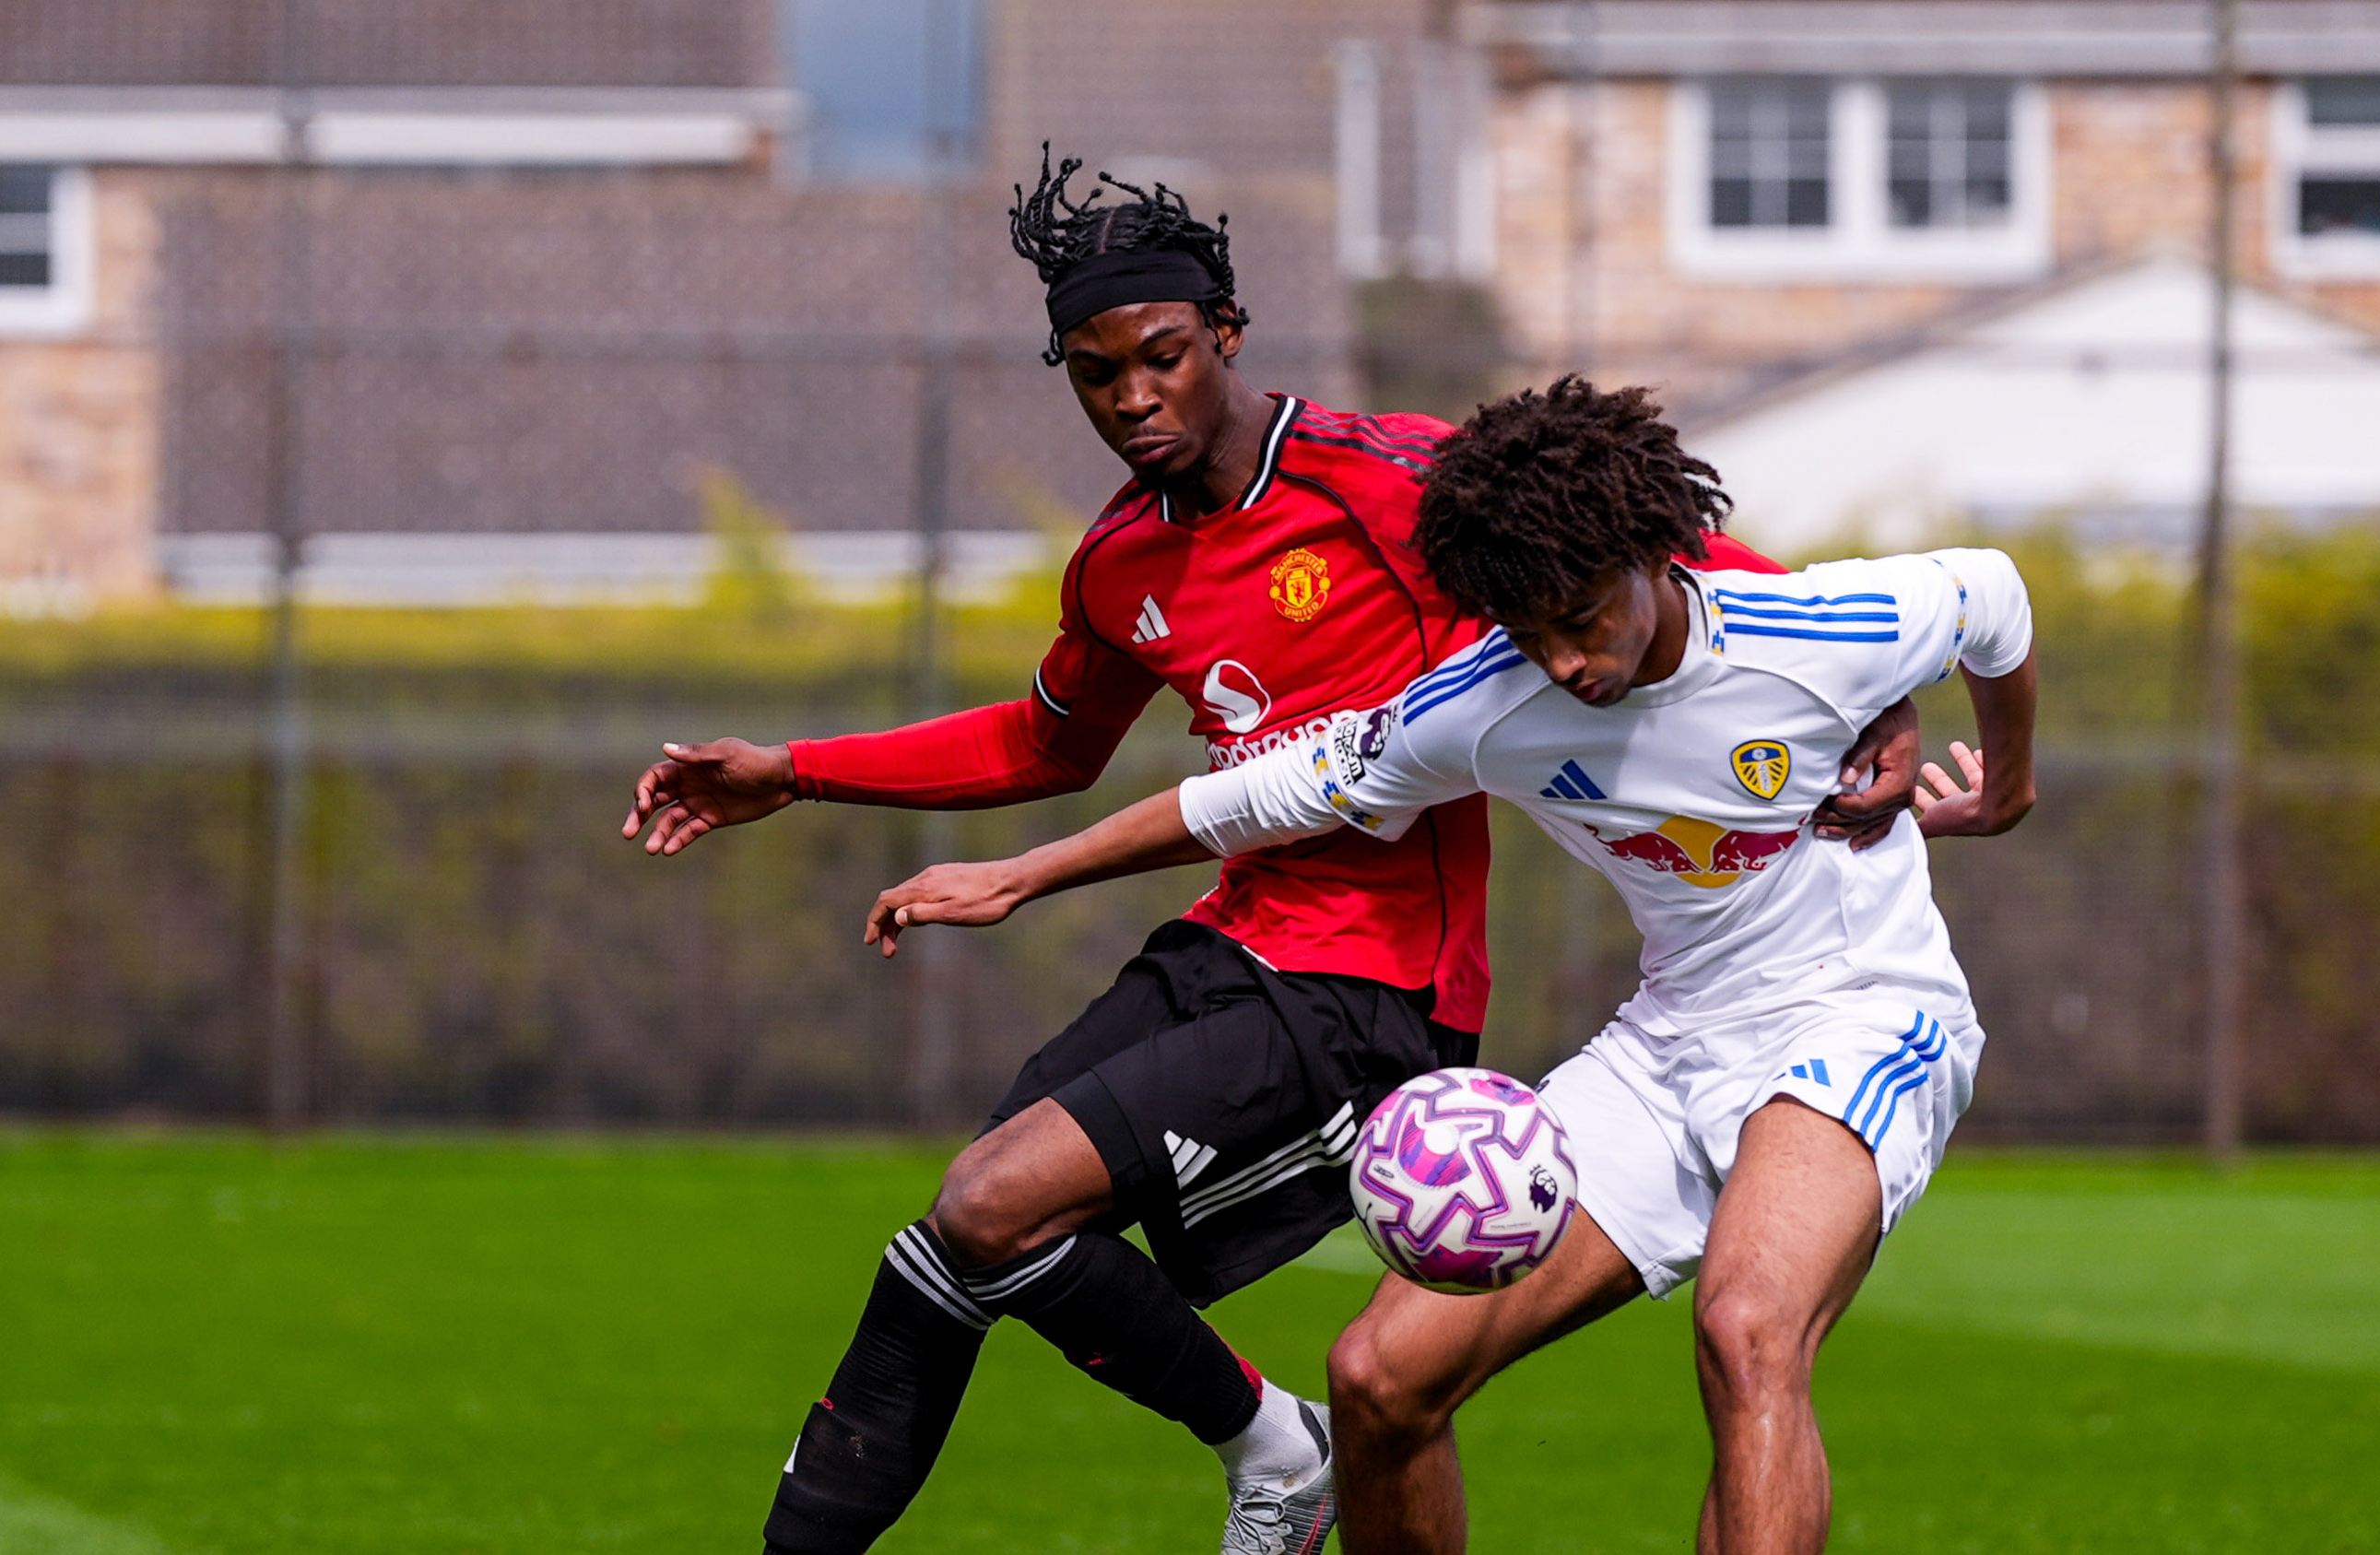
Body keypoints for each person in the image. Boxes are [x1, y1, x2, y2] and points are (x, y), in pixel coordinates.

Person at [620, 153, 1924, 1555]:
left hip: (1370, 991)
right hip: (1231, 941)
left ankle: (1271, 1443)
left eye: (1163, 357)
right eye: (1095, 371)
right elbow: (1046, 743)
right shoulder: (1121, 560)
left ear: (1226, 333)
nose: (1133, 397)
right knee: (967, 1234)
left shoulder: (1388, 481)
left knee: (996, 1200)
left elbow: (1655, 545)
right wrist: (794, 770)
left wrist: (1875, 692)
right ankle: (1277, 1445)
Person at [863, 377, 2037, 1555]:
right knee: (1380, 1373)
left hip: (1859, 1014)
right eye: (1531, 632)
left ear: (1648, 551)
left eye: (1583, 614)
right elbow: (1261, 793)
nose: (1569, 662)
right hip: (1670, 1040)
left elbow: (1993, 597)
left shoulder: (1816, 631)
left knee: (1747, 1329)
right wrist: (1025, 872)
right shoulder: (1485, 704)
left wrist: (2009, 786)